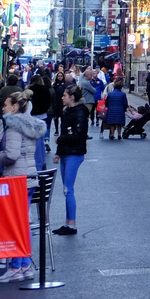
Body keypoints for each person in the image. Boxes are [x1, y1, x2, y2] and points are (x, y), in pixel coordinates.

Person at [0, 91, 46, 282]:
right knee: (23, 223)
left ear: (15, 107)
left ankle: (16, 266)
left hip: (16, 179)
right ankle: (25, 265)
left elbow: (12, 155)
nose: (3, 108)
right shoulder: (31, 125)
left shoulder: (13, 128)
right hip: (28, 177)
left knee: (17, 224)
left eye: (6, 104)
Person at [53, 84, 88, 236]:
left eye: (65, 95)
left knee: (69, 189)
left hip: (74, 153)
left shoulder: (80, 113)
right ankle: (68, 222)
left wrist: (61, 140)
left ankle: (71, 224)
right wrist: (58, 152)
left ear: (72, 97)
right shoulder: (67, 111)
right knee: (66, 189)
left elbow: (78, 135)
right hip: (66, 153)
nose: (62, 97)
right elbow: (64, 132)